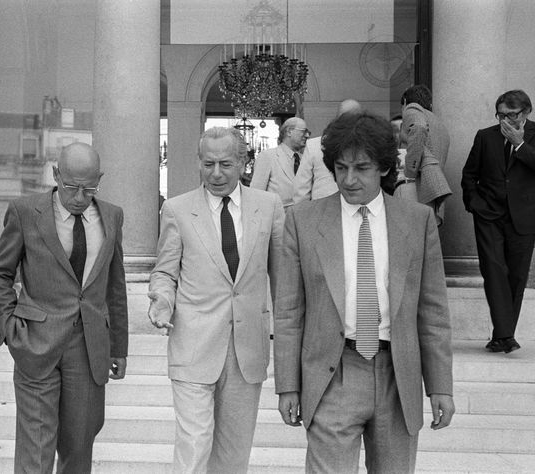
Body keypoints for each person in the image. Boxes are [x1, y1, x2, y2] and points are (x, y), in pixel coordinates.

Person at [274, 112, 454, 473]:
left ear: (385, 168)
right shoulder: (304, 221)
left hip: (397, 374)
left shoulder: (417, 221)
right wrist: (287, 386)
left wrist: (440, 386)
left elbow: (432, 312)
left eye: (362, 168)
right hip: (332, 372)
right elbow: (289, 311)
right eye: (341, 168)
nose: (349, 179)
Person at [0, 142, 128, 473]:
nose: (80, 197)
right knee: (35, 452)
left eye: (89, 188)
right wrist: (9, 327)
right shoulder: (24, 211)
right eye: (71, 187)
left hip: (89, 346)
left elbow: (115, 285)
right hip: (36, 342)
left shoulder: (112, 215)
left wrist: (119, 346)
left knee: (79, 450)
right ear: (55, 174)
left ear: (99, 179)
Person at [148, 127, 284, 473]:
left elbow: (283, 280)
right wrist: (162, 300)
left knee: (233, 454)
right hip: (194, 343)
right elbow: (165, 271)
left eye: (225, 163)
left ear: (243, 163)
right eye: (208, 164)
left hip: (247, 349)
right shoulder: (177, 210)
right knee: (194, 446)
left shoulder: (268, 206)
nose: (216, 173)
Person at [461, 89, 535, 354]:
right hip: (489, 216)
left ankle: (502, 336)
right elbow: (469, 175)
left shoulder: (533, 135)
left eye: (511, 115)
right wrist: (474, 203)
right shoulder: (485, 136)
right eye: (500, 115)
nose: (505, 121)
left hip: (524, 219)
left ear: (526, 112)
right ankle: (505, 334)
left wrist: (520, 145)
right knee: (493, 270)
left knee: (516, 277)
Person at [399, 85, 452, 225]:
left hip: (415, 188)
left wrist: (409, 172)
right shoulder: (439, 124)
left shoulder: (412, 109)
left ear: (405, 101)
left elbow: (419, 128)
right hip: (432, 193)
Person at [292, 99, 362, 204]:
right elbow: (301, 191)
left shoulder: (314, 145)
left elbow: (301, 190)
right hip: (322, 211)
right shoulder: (314, 145)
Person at [250, 116, 309, 207]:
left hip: (302, 216)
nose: (307, 135)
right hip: (276, 218)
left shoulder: (306, 159)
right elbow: (256, 194)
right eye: (303, 131)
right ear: (289, 131)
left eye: (307, 132)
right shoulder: (267, 156)